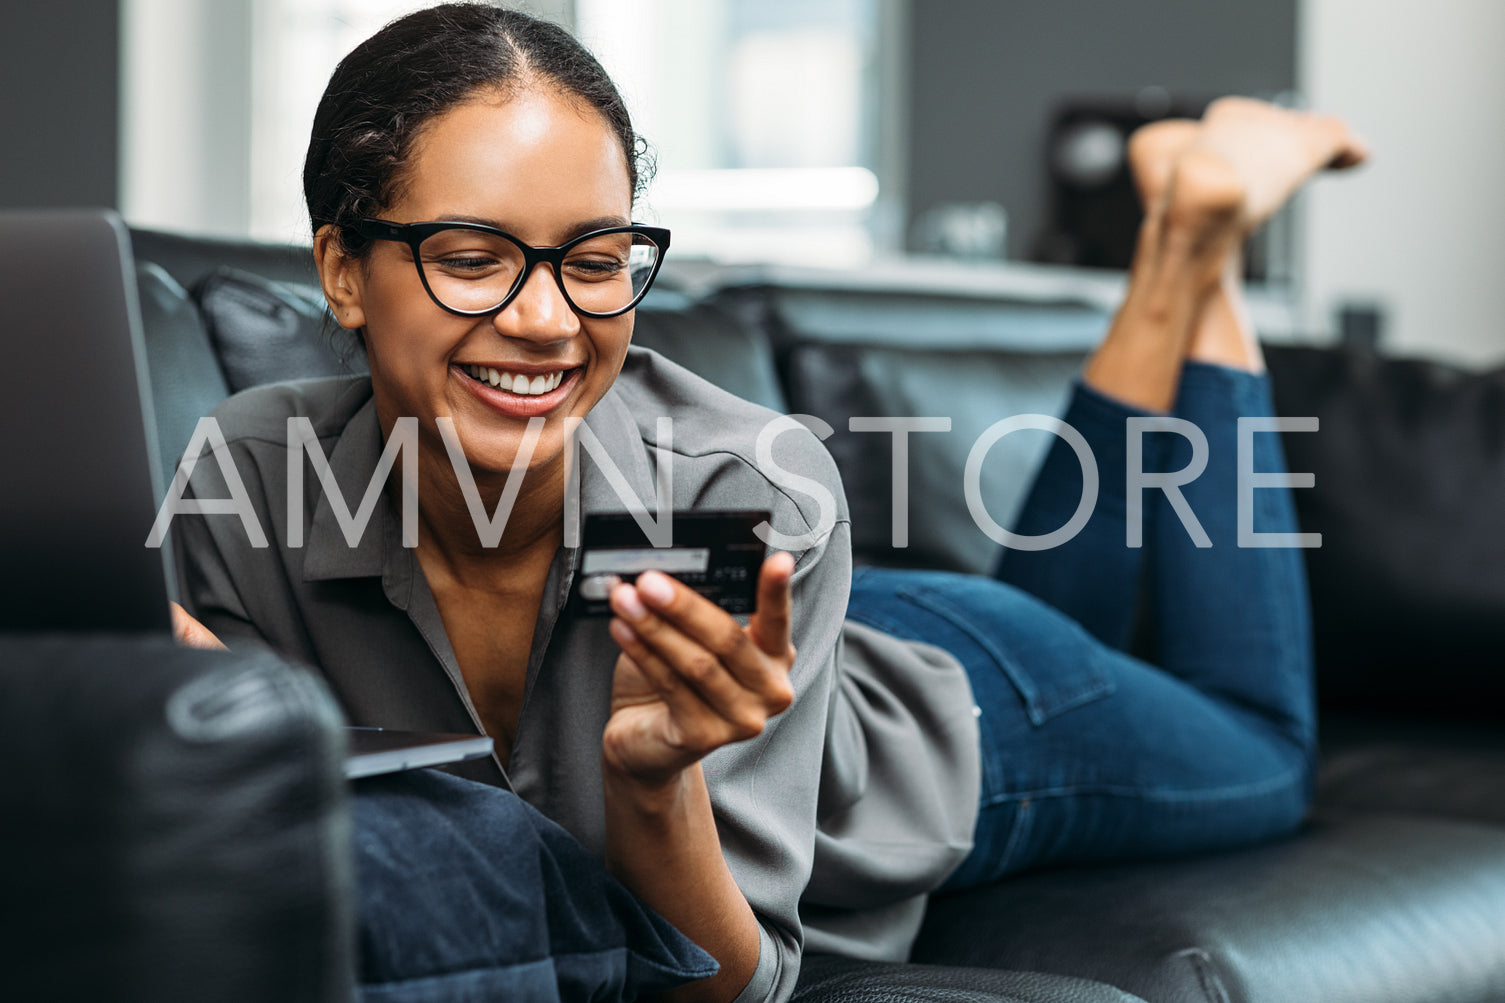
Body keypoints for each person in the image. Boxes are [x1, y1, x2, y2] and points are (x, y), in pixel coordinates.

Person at [168, 5, 1367, 1002]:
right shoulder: (246, 481)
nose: (543, 319)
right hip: (847, 621)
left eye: (593, 260)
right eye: (472, 256)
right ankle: (1179, 238)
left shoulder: (743, 482)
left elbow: (727, 982)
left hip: (977, 715)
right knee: (1084, 601)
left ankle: (1197, 241)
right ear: (340, 269)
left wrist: (653, 781)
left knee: (1263, 747)